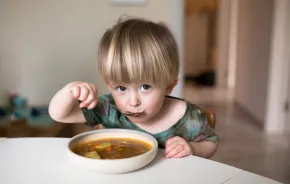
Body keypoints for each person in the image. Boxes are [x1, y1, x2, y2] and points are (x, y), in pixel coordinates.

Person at [49, 17, 218, 159]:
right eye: (121, 88)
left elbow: (211, 142)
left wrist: (192, 148)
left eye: (145, 87)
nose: (133, 102)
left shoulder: (188, 118)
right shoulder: (109, 109)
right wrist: (71, 90)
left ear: (169, 86)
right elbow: (59, 115)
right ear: (110, 86)